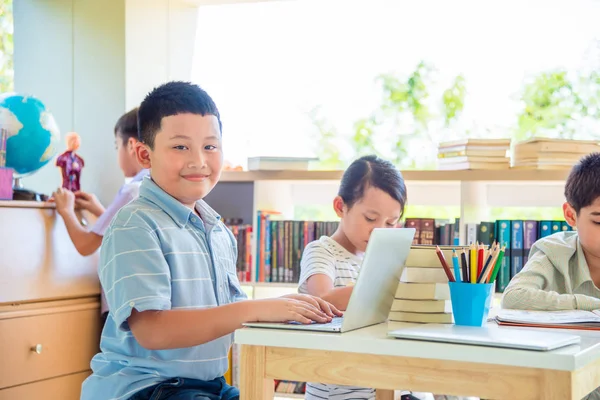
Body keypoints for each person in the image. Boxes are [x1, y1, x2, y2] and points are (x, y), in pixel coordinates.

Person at [80, 81, 341, 400]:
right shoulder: (134, 223)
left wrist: (296, 306)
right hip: (146, 387)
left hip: (207, 385)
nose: (198, 161)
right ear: (144, 154)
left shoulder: (217, 231)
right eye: (180, 147)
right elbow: (152, 330)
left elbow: (229, 315)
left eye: (210, 146)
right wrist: (255, 309)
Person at [298, 155, 425, 400]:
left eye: (391, 223)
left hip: (381, 384)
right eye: (370, 218)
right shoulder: (321, 251)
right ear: (340, 207)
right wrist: (384, 284)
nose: (379, 230)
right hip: (337, 391)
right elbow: (322, 298)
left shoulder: (385, 259)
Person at [502, 153, 600, 400]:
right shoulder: (554, 252)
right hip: (560, 384)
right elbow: (514, 298)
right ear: (571, 215)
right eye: (599, 221)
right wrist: (589, 305)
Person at [52, 108, 149, 324]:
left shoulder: (132, 190)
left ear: (132, 146)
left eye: (117, 147)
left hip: (121, 308)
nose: (117, 155)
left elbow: (85, 245)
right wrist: (101, 212)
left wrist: (67, 211)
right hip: (148, 308)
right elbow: (131, 233)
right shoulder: (156, 186)